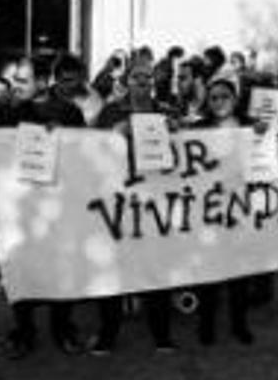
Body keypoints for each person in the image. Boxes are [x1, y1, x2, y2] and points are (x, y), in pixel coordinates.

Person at [0, 56, 85, 359]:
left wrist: (65, 139)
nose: (15, 86)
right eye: (14, 80)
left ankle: (62, 327)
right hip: (20, 206)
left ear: (42, 82)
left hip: (58, 205)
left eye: (23, 80)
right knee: (21, 266)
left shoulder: (70, 112)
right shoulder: (6, 111)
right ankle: (24, 330)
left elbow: (85, 154)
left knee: (61, 268)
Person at [90, 61, 177, 354]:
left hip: (154, 203)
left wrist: (177, 133)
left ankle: (162, 335)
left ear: (153, 82)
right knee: (113, 270)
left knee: (157, 269)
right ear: (126, 81)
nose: (143, 81)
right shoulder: (111, 111)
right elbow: (89, 147)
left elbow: (182, 155)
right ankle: (108, 334)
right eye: (136, 77)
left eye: (147, 77)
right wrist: (114, 132)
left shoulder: (165, 111)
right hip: (118, 202)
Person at [190, 74, 256, 345]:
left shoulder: (250, 126)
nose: (219, 102)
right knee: (209, 273)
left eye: (224, 96)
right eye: (214, 97)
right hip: (209, 211)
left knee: (239, 274)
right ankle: (207, 325)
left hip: (241, 209)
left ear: (235, 99)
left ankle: (239, 324)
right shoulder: (199, 128)